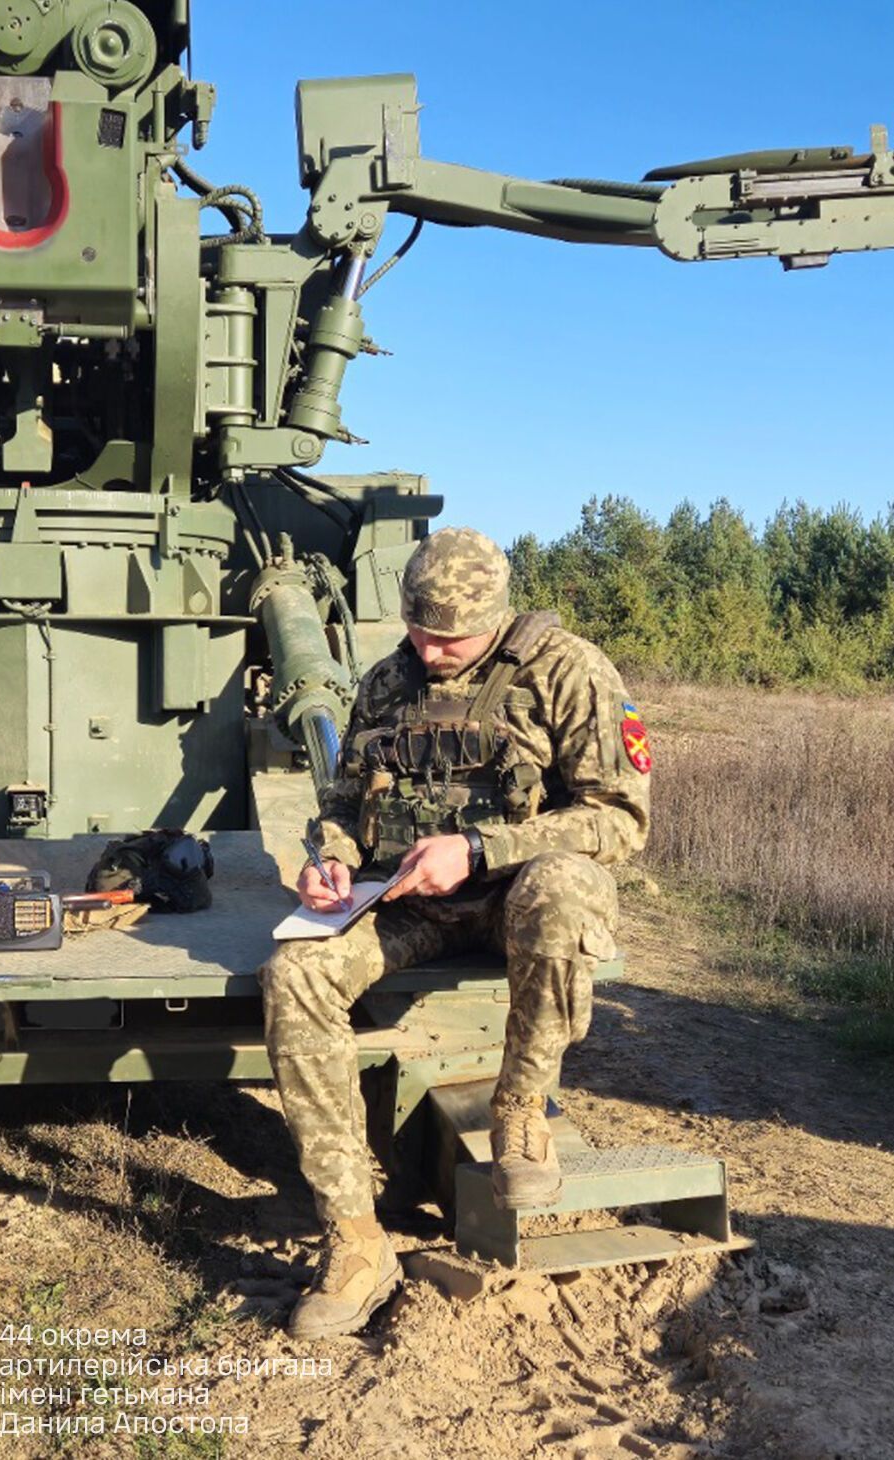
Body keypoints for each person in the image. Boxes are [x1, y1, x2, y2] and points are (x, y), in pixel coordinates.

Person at [260, 526, 650, 1339]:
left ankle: (518, 1112)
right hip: (410, 904)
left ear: (498, 618)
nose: (431, 651)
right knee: (297, 968)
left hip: (518, 897)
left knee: (567, 887)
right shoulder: (385, 682)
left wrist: (481, 848)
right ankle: (355, 1241)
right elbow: (339, 806)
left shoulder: (568, 671)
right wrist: (328, 860)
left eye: (451, 639)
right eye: (417, 632)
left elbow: (619, 820)